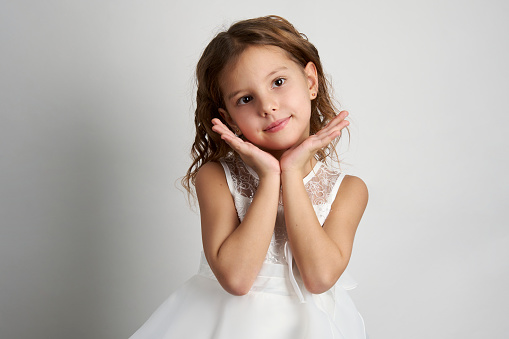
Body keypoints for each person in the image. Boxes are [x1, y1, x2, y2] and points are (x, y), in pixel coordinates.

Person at [130, 15, 369, 339]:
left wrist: (292, 173)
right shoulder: (215, 178)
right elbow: (237, 279)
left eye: (278, 82)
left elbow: (319, 277)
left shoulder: (349, 190)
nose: (268, 106)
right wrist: (271, 177)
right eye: (246, 98)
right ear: (229, 118)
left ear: (310, 82)